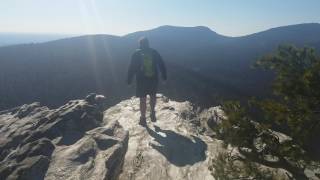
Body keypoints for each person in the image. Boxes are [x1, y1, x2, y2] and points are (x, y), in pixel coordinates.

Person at [127, 37, 167, 126]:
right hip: (153, 78)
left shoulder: (136, 53)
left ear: (140, 44)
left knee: (142, 99)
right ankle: (152, 112)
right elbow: (161, 64)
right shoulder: (154, 52)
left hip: (141, 80)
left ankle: (143, 118)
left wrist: (129, 80)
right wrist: (164, 77)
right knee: (153, 96)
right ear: (148, 43)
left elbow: (132, 67)